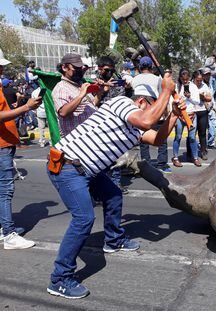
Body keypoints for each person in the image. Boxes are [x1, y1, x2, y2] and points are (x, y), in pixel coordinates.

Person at [46, 73, 183, 299]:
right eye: (153, 106)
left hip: (87, 169)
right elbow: (147, 121)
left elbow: (157, 139)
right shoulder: (122, 103)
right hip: (67, 166)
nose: (157, 114)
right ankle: (59, 279)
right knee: (83, 219)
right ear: (141, 101)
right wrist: (167, 91)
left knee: (113, 195)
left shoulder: (135, 125)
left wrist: (174, 116)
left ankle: (113, 240)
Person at [0, 52, 42, 249]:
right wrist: (25, 107)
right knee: (5, 190)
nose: (2, 69)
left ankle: (4, 228)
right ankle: (8, 234)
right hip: (1, 145)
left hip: (4, 143)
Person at [96, 56, 132, 191]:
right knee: (102, 157)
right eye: (106, 70)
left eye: (111, 70)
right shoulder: (93, 81)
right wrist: (102, 87)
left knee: (116, 155)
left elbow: (123, 97)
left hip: (116, 122)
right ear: (100, 69)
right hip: (100, 122)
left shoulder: (117, 79)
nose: (109, 72)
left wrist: (128, 88)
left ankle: (116, 184)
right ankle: (102, 185)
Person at [132, 57, 170, 173]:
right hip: (153, 109)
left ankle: (145, 162)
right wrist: (165, 111)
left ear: (140, 67)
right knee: (161, 137)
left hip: (139, 109)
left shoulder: (135, 79)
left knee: (143, 136)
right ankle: (162, 164)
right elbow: (161, 95)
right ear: (151, 67)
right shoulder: (157, 79)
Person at [52, 53, 103, 138]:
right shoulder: (61, 88)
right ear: (64, 68)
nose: (80, 71)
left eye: (80, 68)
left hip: (90, 136)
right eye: (75, 68)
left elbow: (92, 104)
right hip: (76, 140)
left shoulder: (79, 84)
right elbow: (63, 112)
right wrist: (81, 95)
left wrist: (99, 92)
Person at [172, 68, 200, 167]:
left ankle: (195, 157)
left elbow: (197, 102)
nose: (185, 81)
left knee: (192, 138)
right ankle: (175, 158)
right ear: (180, 78)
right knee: (178, 137)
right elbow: (172, 100)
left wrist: (189, 97)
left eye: (186, 79)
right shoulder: (176, 87)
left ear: (189, 78)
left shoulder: (193, 87)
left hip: (192, 115)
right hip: (180, 115)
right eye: (183, 79)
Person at [202, 68, 216, 150]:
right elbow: (200, 97)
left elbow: (211, 97)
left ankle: (211, 143)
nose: (208, 76)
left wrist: (214, 106)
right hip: (203, 109)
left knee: (213, 126)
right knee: (203, 128)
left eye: (209, 74)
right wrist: (205, 104)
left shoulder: (210, 84)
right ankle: (203, 144)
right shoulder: (201, 85)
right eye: (206, 74)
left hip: (211, 108)